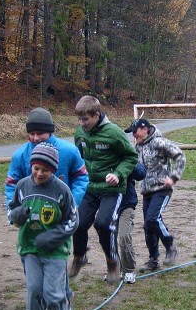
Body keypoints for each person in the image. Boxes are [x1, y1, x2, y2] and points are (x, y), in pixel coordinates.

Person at [5, 107, 89, 296]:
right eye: (31, 133)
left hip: (57, 216)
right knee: (30, 254)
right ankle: (38, 296)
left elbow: (82, 177)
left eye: (40, 133)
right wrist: (14, 212)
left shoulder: (68, 151)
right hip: (30, 218)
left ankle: (62, 296)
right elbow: (11, 184)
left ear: (51, 131)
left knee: (56, 257)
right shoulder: (20, 155)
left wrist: (72, 203)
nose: (35, 138)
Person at [8, 142, 79, 310]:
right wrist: (16, 215)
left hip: (55, 250)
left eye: (45, 170)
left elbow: (73, 220)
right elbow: (11, 211)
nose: (39, 174)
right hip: (30, 248)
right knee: (34, 289)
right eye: (36, 168)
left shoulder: (61, 190)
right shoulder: (22, 186)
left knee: (54, 293)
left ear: (53, 170)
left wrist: (54, 236)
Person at [70, 95, 138, 283]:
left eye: (85, 119)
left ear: (96, 115)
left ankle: (112, 261)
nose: (82, 123)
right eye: (79, 119)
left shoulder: (114, 132)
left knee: (103, 223)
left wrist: (118, 173)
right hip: (91, 187)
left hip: (112, 189)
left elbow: (131, 157)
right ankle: (80, 256)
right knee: (78, 222)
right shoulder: (80, 134)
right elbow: (79, 158)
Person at [124, 118, 186, 272]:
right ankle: (153, 260)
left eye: (135, 131)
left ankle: (170, 245)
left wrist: (173, 177)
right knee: (148, 226)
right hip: (146, 191)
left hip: (162, 189)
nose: (133, 135)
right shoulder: (137, 147)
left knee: (153, 219)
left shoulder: (159, 142)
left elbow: (180, 156)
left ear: (144, 129)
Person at [118, 162, 146, 284]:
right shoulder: (101, 154)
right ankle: (114, 268)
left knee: (124, 236)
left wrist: (128, 157)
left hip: (126, 204)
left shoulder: (126, 154)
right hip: (107, 203)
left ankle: (128, 269)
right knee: (108, 238)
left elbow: (141, 173)